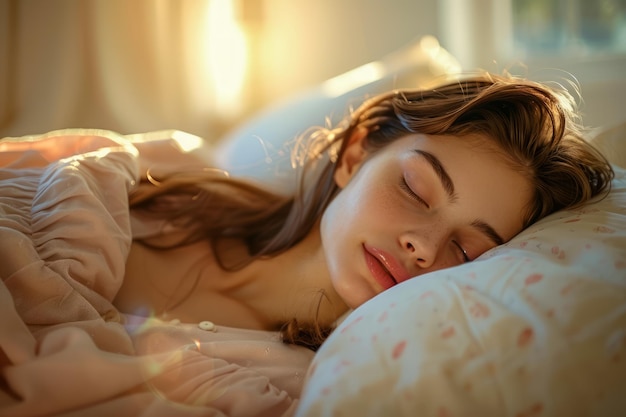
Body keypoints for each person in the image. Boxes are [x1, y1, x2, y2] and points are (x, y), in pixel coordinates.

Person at [114, 72, 614, 350]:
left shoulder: (303, 386)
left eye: (465, 250)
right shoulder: (159, 175)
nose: (423, 246)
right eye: (416, 190)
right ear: (355, 154)